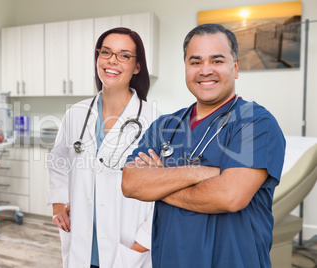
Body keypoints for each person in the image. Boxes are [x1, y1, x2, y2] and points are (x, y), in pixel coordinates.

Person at [122, 24, 286, 267]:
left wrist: (159, 182)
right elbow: (131, 183)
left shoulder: (255, 122)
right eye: (195, 62)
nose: (205, 70)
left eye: (217, 61)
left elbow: (230, 196)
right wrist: (198, 172)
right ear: (186, 68)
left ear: (236, 67)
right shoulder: (165, 125)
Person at [47, 27, 161, 268]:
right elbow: (57, 160)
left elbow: (163, 190)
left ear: (137, 66)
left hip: (127, 247)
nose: (112, 60)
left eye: (124, 55)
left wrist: (142, 242)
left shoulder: (155, 121)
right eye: (106, 52)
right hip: (81, 243)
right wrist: (58, 202)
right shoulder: (76, 114)